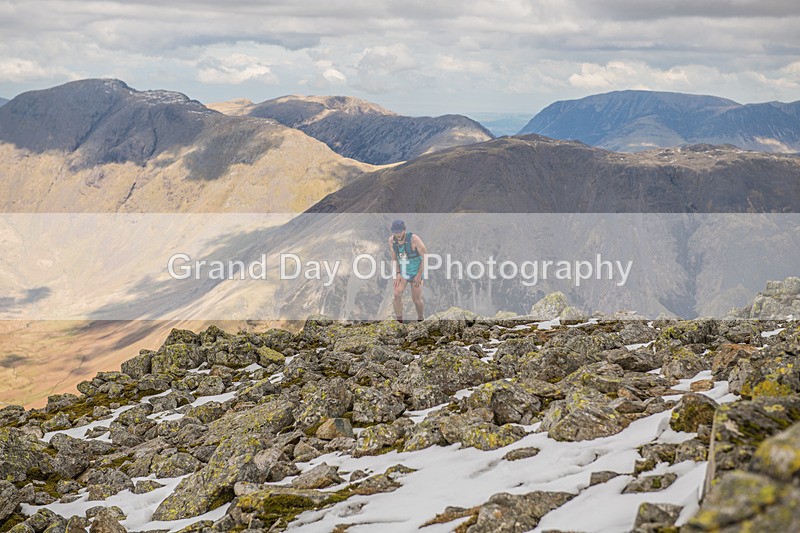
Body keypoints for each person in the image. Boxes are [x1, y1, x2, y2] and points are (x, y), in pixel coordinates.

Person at [389, 219, 427, 323]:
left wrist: (419, 275)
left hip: (416, 271)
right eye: (395, 232)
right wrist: (397, 273)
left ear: (404, 230)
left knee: (416, 299)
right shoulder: (392, 241)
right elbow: (394, 259)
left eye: (400, 231)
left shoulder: (414, 239)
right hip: (403, 272)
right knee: (396, 294)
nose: (398, 234)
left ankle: (421, 319)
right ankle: (399, 322)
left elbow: (426, 257)